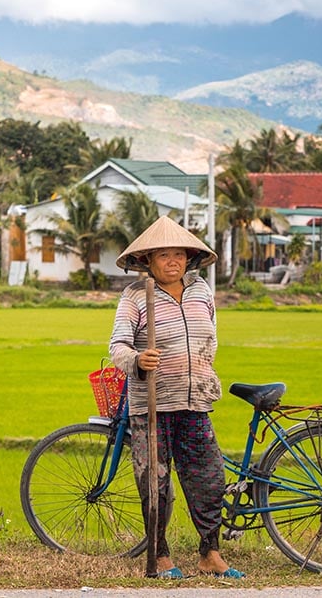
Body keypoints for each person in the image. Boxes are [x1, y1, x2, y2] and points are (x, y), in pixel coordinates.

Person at [109, 215, 244, 580]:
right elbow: (117, 346)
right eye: (164, 255)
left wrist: (201, 368)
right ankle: (161, 555)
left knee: (209, 478)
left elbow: (211, 337)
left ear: (189, 258)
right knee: (156, 482)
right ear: (148, 261)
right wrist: (138, 359)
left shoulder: (201, 290)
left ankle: (210, 553)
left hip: (195, 400)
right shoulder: (136, 295)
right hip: (151, 404)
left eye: (180, 255)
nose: (173, 262)